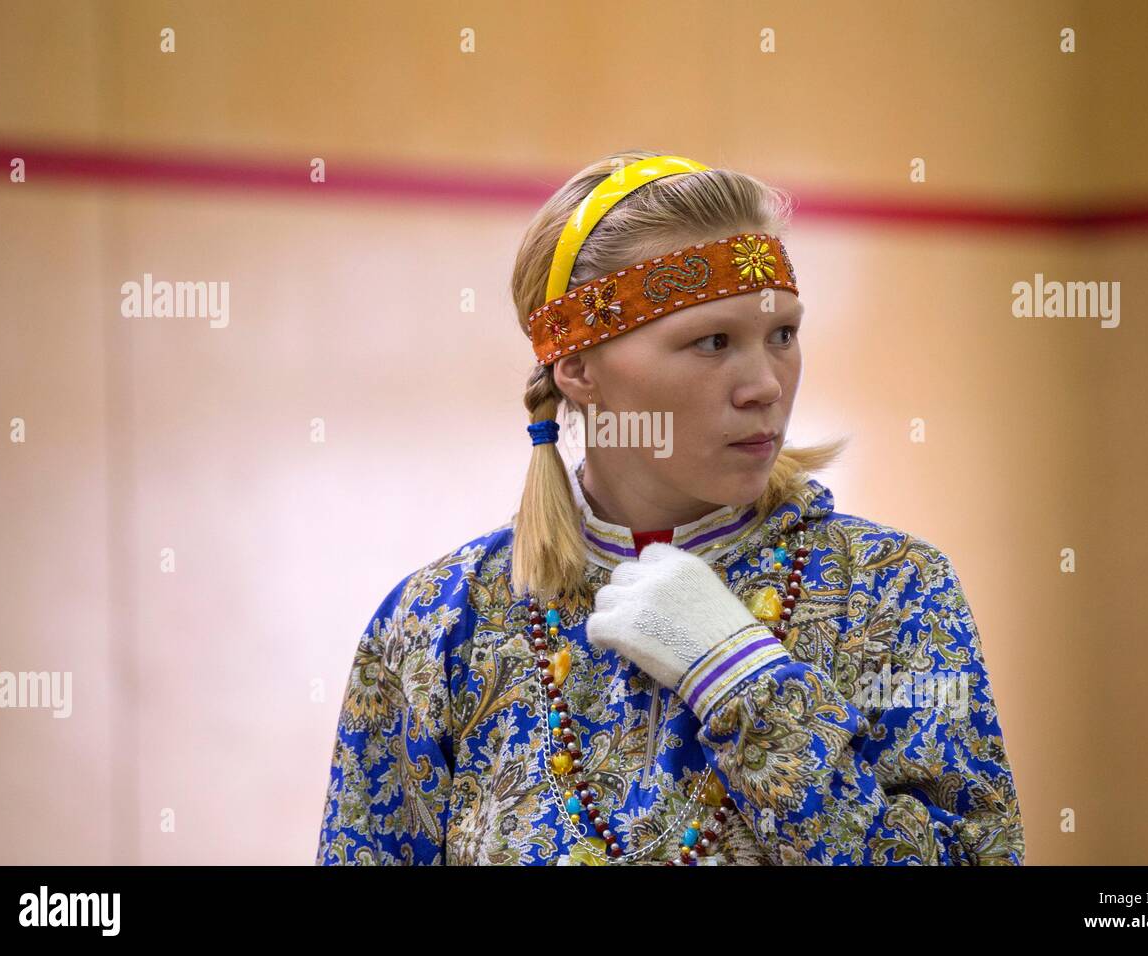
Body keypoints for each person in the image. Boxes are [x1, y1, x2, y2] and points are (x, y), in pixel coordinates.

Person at [315, 150, 1025, 865]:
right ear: (579, 368)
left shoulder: (894, 589)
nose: (765, 386)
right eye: (712, 342)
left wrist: (742, 678)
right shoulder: (437, 622)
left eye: (782, 334)